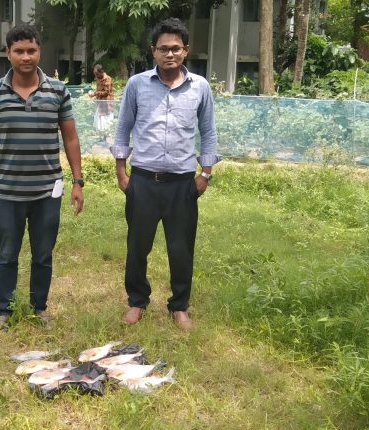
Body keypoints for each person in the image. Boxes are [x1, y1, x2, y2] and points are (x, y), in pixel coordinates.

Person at [0, 23, 85, 330]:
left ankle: (39, 308)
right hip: (6, 191)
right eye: (18, 51)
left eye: (31, 50)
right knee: (7, 254)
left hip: (48, 191)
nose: (25, 57)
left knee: (43, 254)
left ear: (39, 52)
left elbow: (71, 138)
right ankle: (4, 311)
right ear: (8, 53)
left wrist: (77, 182)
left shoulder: (58, 91)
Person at [110, 18, 221, 330]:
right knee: (137, 247)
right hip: (143, 181)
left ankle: (179, 306)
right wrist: (121, 173)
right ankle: (137, 301)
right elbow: (123, 128)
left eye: (175, 48)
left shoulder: (200, 87)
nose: (169, 54)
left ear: (185, 50)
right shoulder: (137, 85)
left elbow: (208, 132)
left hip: (182, 184)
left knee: (181, 249)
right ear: (153, 51)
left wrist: (205, 174)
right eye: (163, 48)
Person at [89, 64, 114, 134]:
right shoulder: (98, 79)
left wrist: (95, 93)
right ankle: (100, 136)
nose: (96, 75)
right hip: (100, 103)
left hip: (106, 104)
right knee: (98, 122)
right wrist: (94, 94)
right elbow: (98, 91)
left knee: (105, 122)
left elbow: (106, 92)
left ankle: (106, 137)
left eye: (97, 74)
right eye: (95, 74)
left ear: (101, 72)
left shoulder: (107, 79)